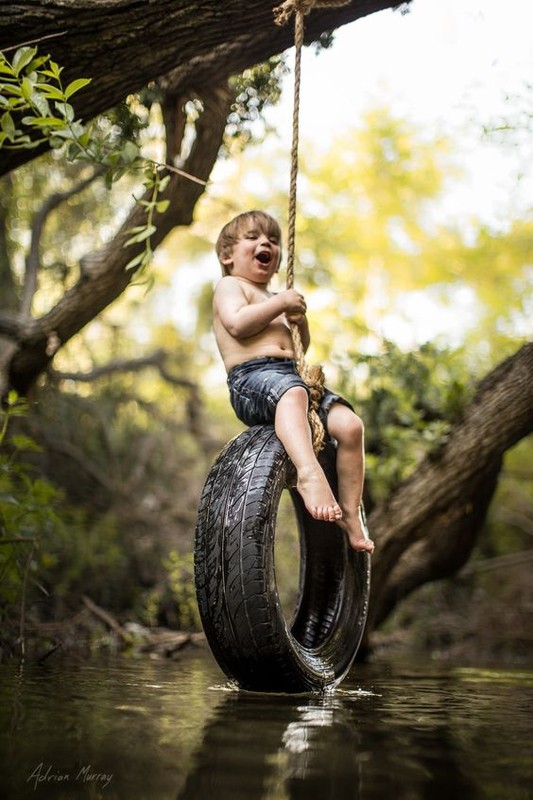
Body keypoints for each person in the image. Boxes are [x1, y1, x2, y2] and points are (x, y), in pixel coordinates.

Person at [212, 210, 374, 553]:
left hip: (291, 378)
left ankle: (350, 510)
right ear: (228, 256)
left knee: (350, 426)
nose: (265, 243)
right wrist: (281, 303)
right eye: (253, 237)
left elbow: (299, 348)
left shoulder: (273, 299)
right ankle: (308, 473)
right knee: (293, 392)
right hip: (252, 379)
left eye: (272, 240)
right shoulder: (231, 286)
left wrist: (298, 322)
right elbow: (238, 325)